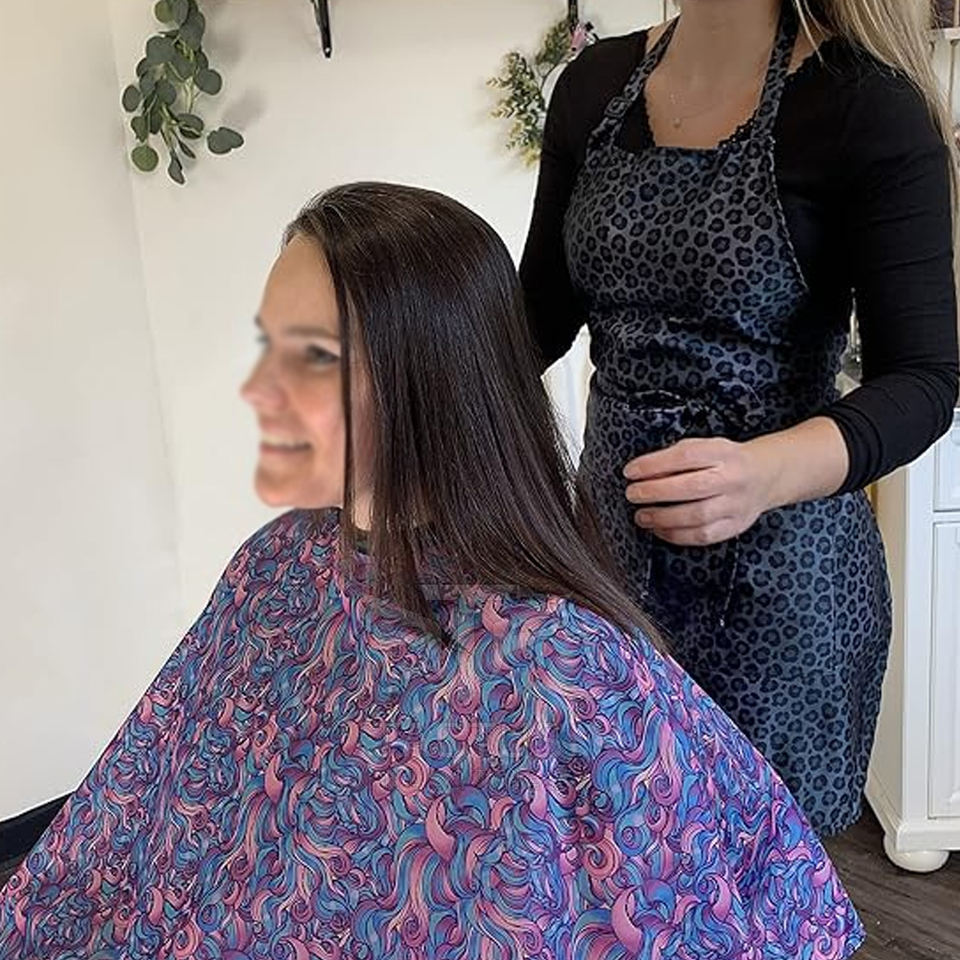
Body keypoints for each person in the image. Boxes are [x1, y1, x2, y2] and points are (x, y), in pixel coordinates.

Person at [0, 183, 864, 957]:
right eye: (266, 347)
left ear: (433, 378)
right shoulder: (275, 565)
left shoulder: (564, 673)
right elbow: (149, 821)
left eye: (314, 357)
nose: (259, 389)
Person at [519, 0, 960, 836]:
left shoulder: (866, 105)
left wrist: (760, 474)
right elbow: (533, 321)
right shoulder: (591, 87)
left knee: (759, 872)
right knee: (617, 853)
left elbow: (924, 381)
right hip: (608, 572)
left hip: (782, 590)